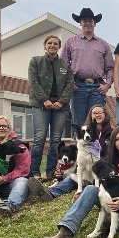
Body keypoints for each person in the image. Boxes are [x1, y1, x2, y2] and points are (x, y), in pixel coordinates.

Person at [28, 105, 112, 201]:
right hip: (85, 173)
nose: (97, 115)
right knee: (71, 177)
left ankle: (89, 192)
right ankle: (51, 193)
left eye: (100, 113)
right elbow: (74, 154)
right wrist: (60, 168)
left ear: (105, 115)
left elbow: (111, 154)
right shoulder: (83, 131)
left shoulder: (110, 132)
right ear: (90, 115)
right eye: (95, 113)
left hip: (101, 170)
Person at [28, 34, 74, 180]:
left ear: (59, 47)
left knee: (55, 140)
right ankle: (34, 172)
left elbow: (69, 85)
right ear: (45, 45)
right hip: (41, 105)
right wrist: (44, 100)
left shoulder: (65, 66)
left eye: (55, 44)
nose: (52, 45)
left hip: (60, 107)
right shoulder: (35, 61)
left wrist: (61, 101)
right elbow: (33, 82)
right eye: (50, 43)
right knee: (40, 138)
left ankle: (50, 172)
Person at [61, 8, 114, 127]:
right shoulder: (71, 42)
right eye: (84, 20)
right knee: (79, 124)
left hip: (97, 88)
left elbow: (110, 67)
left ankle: (97, 146)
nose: (87, 23)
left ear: (95, 23)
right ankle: (79, 146)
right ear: (80, 23)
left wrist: (107, 85)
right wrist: (68, 83)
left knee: (98, 122)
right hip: (77, 87)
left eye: (90, 21)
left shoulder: (103, 44)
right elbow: (62, 65)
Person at [0, 116, 30, 217]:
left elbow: (23, 169)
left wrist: (3, 178)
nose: (1, 128)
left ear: (9, 129)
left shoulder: (19, 146)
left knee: (23, 181)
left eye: (4, 126)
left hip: (10, 184)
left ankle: (9, 206)